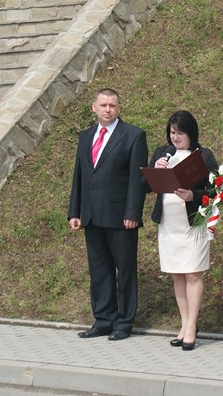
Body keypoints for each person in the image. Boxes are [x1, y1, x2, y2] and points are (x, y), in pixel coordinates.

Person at [68, 88, 148, 341]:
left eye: (112, 105)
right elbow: (80, 176)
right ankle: (104, 320)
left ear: (119, 108)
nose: (108, 109)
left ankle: (123, 323)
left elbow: (137, 179)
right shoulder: (86, 137)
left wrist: (133, 212)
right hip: (92, 215)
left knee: (125, 271)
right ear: (94, 108)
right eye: (103, 105)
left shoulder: (133, 135)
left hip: (121, 217)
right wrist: (74, 211)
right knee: (99, 270)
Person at [149, 110, 218, 351]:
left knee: (192, 275)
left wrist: (193, 195)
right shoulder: (162, 153)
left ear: (191, 133)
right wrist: (156, 168)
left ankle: (191, 326)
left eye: (180, 133)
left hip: (193, 223)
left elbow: (216, 190)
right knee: (177, 274)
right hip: (169, 224)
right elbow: (145, 184)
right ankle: (184, 323)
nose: (175, 137)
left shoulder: (204, 156)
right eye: (172, 132)